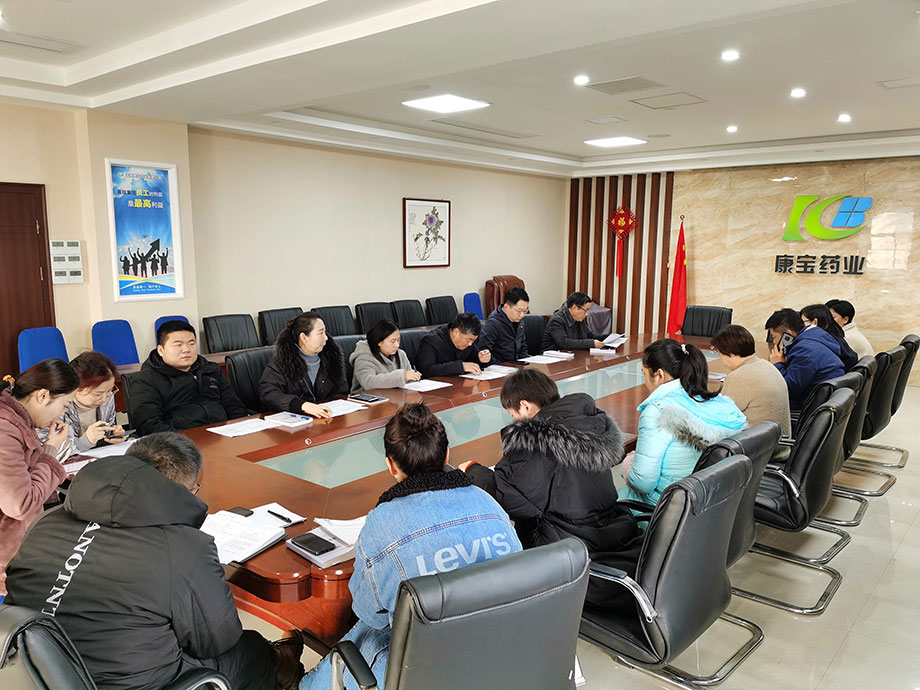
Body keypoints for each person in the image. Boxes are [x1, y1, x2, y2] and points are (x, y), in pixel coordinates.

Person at [5, 432, 304, 690]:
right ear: (185, 489)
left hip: (34, 672)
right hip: (128, 683)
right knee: (251, 648)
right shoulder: (184, 547)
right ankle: (286, 671)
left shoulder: (47, 520)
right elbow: (218, 640)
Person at [300, 403, 521, 690]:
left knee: (368, 634)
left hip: (429, 672)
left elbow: (368, 612)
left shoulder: (382, 523)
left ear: (391, 465)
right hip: (505, 655)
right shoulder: (489, 504)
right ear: (447, 454)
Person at [460, 369, 639, 590]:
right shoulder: (586, 422)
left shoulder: (536, 440)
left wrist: (472, 469)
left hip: (570, 549)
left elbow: (509, 497)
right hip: (608, 532)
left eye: (513, 414)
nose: (514, 420)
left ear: (525, 406)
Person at [619, 339, 747, 506]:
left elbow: (641, 483)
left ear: (659, 375)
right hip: (712, 505)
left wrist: (628, 462)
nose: (645, 381)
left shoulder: (658, 412)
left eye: (644, 374)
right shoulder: (724, 405)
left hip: (664, 509)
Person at [0, 359, 77, 597]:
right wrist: (50, 456)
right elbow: (21, 504)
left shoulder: (16, 419)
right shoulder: (5, 428)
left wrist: (50, 447)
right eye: (65, 405)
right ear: (43, 396)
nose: (63, 413)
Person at [131, 320, 248, 436]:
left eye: (191, 344)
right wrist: (184, 441)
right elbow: (149, 426)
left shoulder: (210, 369)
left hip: (224, 435)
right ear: (161, 350)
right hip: (182, 441)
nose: (186, 349)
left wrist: (238, 429)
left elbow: (234, 406)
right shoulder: (146, 380)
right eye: (178, 345)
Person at [37, 351, 127, 460]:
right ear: (77, 388)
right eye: (98, 394)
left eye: (109, 391)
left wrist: (113, 435)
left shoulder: (107, 397)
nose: (104, 398)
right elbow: (49, 452)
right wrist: (83, 442)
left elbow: (108, 427)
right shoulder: (57, 405)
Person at [259, 311, 348, 418]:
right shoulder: (281, 362)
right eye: (320, 333)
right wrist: (300, 405)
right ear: (303, 337)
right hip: (294, 420)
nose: (326, 338)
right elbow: (269, 393)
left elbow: (341, 391)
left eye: (325, 332)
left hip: (326, 418)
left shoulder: (332, 358)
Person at [712, 325, 791, 436]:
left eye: (719, 353)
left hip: (756, 444)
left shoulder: (739, 376)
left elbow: (721, 417)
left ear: (728, 352)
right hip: (778, 441)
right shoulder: (767, 365)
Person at [765, 308, 845, 412]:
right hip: (819, 405)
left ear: (788, 334)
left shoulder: (805, 350)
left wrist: (778, 364)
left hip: (807, 410)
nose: (774, 342)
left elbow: (788, 389)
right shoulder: (815, 338)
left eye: (774, 337)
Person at [350, 319, 421, 393]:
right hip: (370, 397)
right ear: (379, 342)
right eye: (392, 341)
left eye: (398, 340)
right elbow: (368, 383)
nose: (397, 345)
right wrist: (402, 376)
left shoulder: (401, 354)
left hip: (397, 395)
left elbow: (409, 380)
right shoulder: (363, 357)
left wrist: (413, 376)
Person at [415, 312, 491, 377]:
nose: (470, 344)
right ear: (456, 332)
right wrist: (461, 366)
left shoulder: (467, 342)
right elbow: (427, 370)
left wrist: (481, 358)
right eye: (469, 339)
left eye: (473, 340)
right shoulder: (431, 340)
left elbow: (474, 359)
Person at [540, 291, 606, 352]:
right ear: (574, 307)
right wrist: (591, 343)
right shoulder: (556, 320)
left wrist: (608, 337)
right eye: (585, 310)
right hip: (552, 357)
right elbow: (564, 342)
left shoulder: (580, 318)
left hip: (573, 354)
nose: (587, 314)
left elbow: (589, 336)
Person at [479, 286, 530, 363]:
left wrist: (527, 362)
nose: (522, 315)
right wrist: (502, 365)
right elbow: (484, 351)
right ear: (506, 307)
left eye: (525, 311)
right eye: (519, 311)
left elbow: (522, 346)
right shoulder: (493, 323)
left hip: (517, 364)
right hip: (500, 366)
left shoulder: (519, 320)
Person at [801, 303, 857, 370]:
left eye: (803, 322)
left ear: (815, 322)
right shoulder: (835, 333)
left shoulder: (824, 340)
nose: (801, 326)